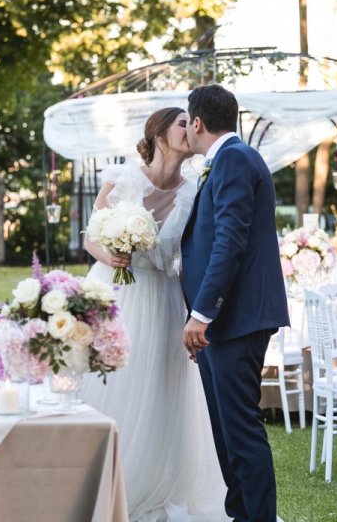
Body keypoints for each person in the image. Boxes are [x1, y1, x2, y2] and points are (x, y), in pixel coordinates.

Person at [80, 107, 228, 522]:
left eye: (192, 123)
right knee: (115, 380)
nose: (191, 128)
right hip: (117, 289)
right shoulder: (122, 177)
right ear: (160, 133)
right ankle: (107, 482)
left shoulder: (194, 190)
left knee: (162, 387)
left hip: (164, 296)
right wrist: (112, 253)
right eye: (183, 122)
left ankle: (158, 483)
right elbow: (92, 234)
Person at [180, 84, 290, 522]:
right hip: (227, 320)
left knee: (240, 430)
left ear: (198, 123)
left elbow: (230, 240)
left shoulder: (234, 159)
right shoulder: (225, 159)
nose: (186, 130)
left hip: (235, 318)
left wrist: (202, 313)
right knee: (227, 433)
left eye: (187, 123)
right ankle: (240, 515)